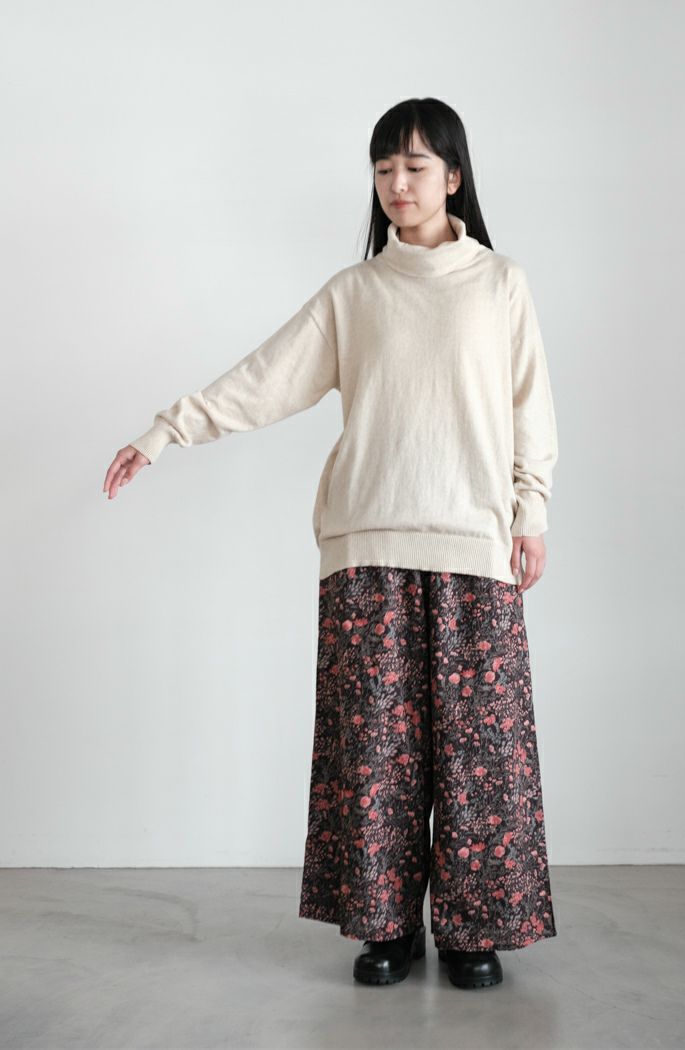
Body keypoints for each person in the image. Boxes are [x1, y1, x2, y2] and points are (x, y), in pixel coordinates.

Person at [103, 97, 559, 991]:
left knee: (480, 757)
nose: (397, 184)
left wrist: (530, 513)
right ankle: (386, 928)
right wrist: (165, 431)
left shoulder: (501, 283)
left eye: (415, 167)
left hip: (473, 547)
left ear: (454, 176)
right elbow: (265, 378)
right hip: (366, 548)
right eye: (384, 168)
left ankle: (474, 930)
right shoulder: (355, 294)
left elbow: (529, 407)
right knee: (374, 754)